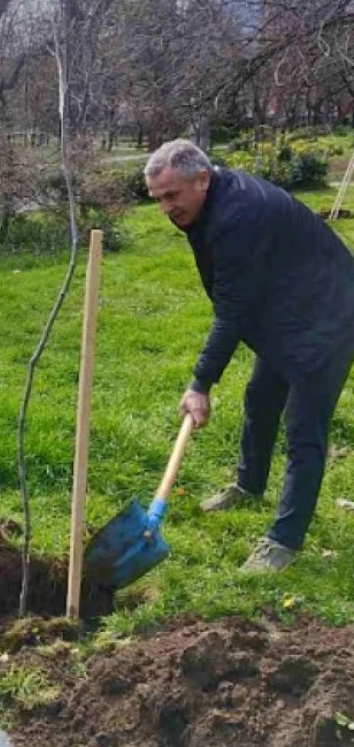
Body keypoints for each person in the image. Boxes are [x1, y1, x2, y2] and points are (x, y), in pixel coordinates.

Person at [144, 139, 354, 572]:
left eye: (171, 195)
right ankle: (248, 486)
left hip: (330, 314)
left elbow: (232, 310)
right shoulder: (210, 204)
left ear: (202, 179)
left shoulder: (238, 215)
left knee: (304, 429)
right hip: (289, 307)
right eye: (157, 198)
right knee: (260, 399)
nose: (165, 208)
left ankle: (283, 541)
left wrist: (201, 383)